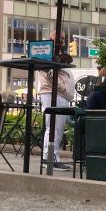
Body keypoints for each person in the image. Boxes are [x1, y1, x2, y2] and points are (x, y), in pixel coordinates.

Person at [37, 31, 73, 171]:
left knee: (55, 128)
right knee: (53, 128)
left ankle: (51, 157)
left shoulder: (55, 54)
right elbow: (49, 74)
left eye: (63, 38)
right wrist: (64, 89)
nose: (62, 41)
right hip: (54, 94)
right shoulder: (47, 53)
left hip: (58, 94)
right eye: (59, 38)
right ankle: (50, 158)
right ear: (51, 38)